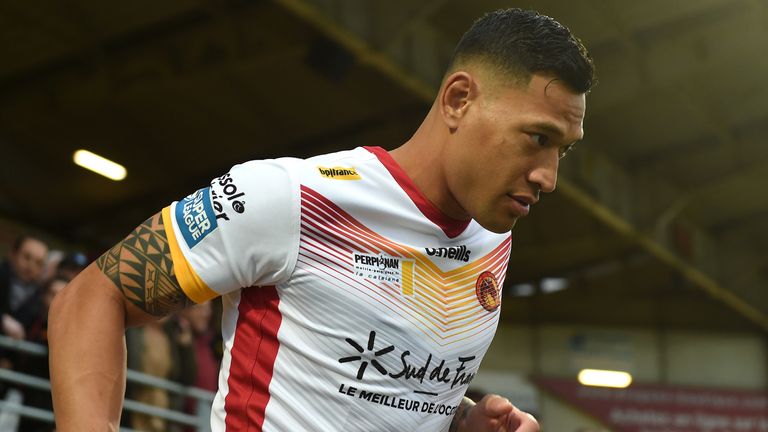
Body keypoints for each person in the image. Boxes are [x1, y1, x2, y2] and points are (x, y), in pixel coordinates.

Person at [49, 8, 594, 431]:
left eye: (562, 151)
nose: (548, 175)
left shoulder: (491, 241)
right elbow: (93, 296)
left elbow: (366, 391)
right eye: (537, 139)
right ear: (458, 100)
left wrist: (459, 420)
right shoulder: (293, 196)